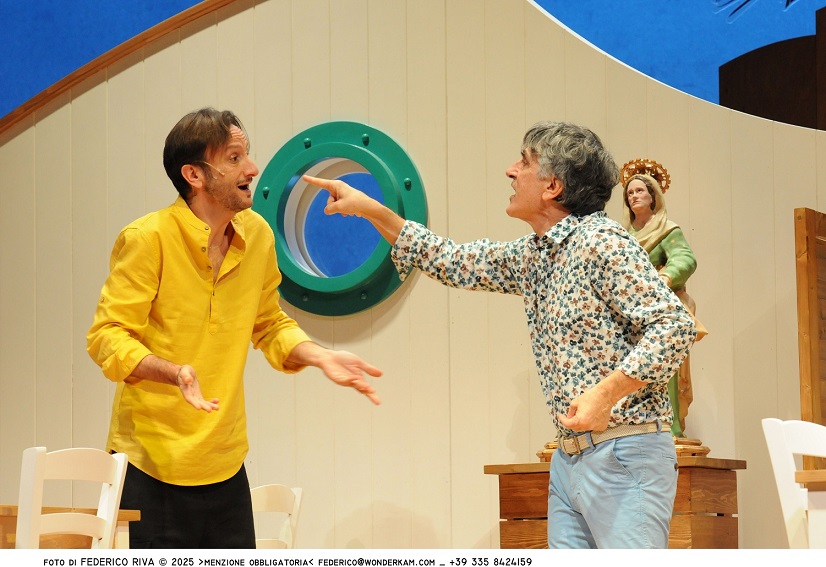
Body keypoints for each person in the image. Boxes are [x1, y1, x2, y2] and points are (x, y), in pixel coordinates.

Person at [303, 121, 697, 549]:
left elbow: (674, 326)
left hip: (625, 452)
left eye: (524, 162)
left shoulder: (603, 241)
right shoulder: (535, 254)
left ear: (553, 186)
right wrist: (370, 209)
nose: (510, 170)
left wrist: (605, 394)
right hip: (570, 460)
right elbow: (452, 260)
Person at [86, 108, 382, 549]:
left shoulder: (257, 235)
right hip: (149, 465)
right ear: (194, 175)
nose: (252, 168)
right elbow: (107, 336)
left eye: (247, 155)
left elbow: (269, 324)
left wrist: (319, 355)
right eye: (234, 158)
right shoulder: (148, 238)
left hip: (225, 464)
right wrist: (174, 373)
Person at [620, 158, 708, 438]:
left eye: (640, 191)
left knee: (662, 367)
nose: (634, 196)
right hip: (629, 313)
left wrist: (666, 277)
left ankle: (669, 428)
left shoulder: (667, 230)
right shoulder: (622, 236)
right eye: (630, 192)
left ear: (653, 196)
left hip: (659, 311)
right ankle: (633, 427)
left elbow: (685, 258)